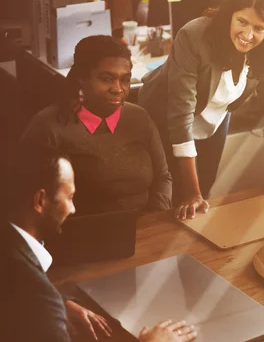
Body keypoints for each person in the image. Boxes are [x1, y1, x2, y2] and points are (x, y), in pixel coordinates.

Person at [0, 145, 196, 342]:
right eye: (68, 196)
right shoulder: (35, 296)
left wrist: (62, 302)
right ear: (40, 200)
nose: (73, 208)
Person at [139, 0, 264, 220]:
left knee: (206, 187)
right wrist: (192, 193)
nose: (247, 35)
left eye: (259, 28)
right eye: (242, 22)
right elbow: (180, 114)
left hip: (216, 114)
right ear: (230, 15)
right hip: (165, 116)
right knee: (172, 195)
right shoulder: (194, 36)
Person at [20, 35, 171, 216]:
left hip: (146, 230)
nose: (118, 88)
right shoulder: (49, 126)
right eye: (107, 79)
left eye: (125, 79)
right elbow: (29, 199)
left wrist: (156, 221)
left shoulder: (139, 117)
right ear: (81, 79)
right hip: (82, 236)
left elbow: (163, 178)